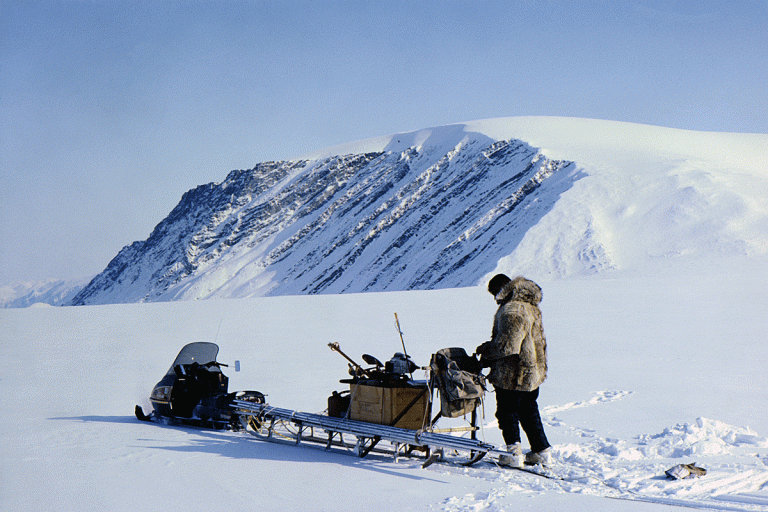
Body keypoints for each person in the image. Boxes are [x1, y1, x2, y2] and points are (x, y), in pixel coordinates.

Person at [476, 274, 552, 467]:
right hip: (532, 371)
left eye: (495, 294)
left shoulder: (512, 310)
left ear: (502, 290)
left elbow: (508, 346)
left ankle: (514, 454)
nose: (495, 299)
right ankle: (541, 451)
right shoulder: (530, 306)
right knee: (529, 411)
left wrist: (485, 351)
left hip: (513, 373)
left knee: (507, 412)